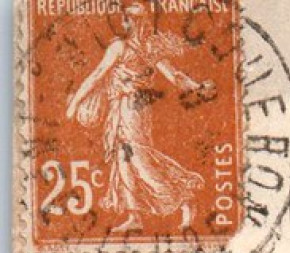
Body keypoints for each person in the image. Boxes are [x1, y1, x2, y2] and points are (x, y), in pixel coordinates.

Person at [64, 1, 213, 233]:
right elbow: (175, 77)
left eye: (126, 19)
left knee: (139, 157)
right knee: (123, 158)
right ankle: (134, 215)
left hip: (131, 106)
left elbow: (97, 76)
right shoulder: (148, 49)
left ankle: (183, 199)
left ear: (132, 23)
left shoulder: (122, 48)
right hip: (131, 106)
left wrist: (74, 104)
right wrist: (197, 85)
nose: (122, 23)